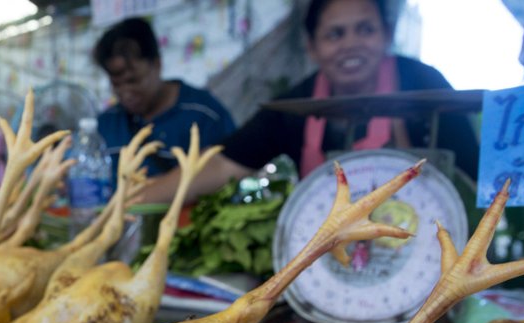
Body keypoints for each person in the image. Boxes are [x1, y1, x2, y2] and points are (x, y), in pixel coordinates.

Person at [143, 0, 480, 203]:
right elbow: (223, 164)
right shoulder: (296, 106)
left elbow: (474, 175)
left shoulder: (422, 83)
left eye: (365, 29)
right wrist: (130, 201)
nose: (351, 44)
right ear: (313, 47)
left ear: (386, 35)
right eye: (335, 34)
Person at [94, 17, 236, 180]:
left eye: (133, 81)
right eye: (116, 84)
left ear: (157, 64)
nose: (126, 92)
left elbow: (230, 175)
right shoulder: (105, 125)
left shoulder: (204, 116)